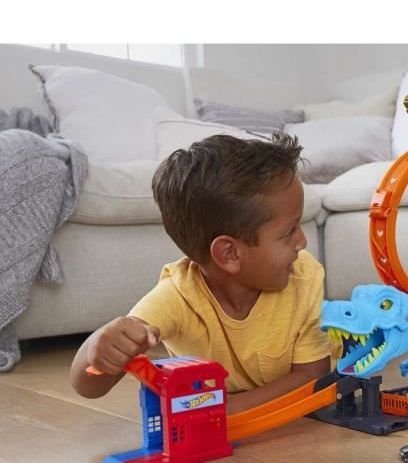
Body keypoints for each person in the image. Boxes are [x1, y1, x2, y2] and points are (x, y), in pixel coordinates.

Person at [70, 134, 332, 412]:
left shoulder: (303, 276)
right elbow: (89, 388)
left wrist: (225, 409)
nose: (302, 242)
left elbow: (312, 376)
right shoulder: (178, 296)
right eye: (289, 231)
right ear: (229, 254)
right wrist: (99, 347)